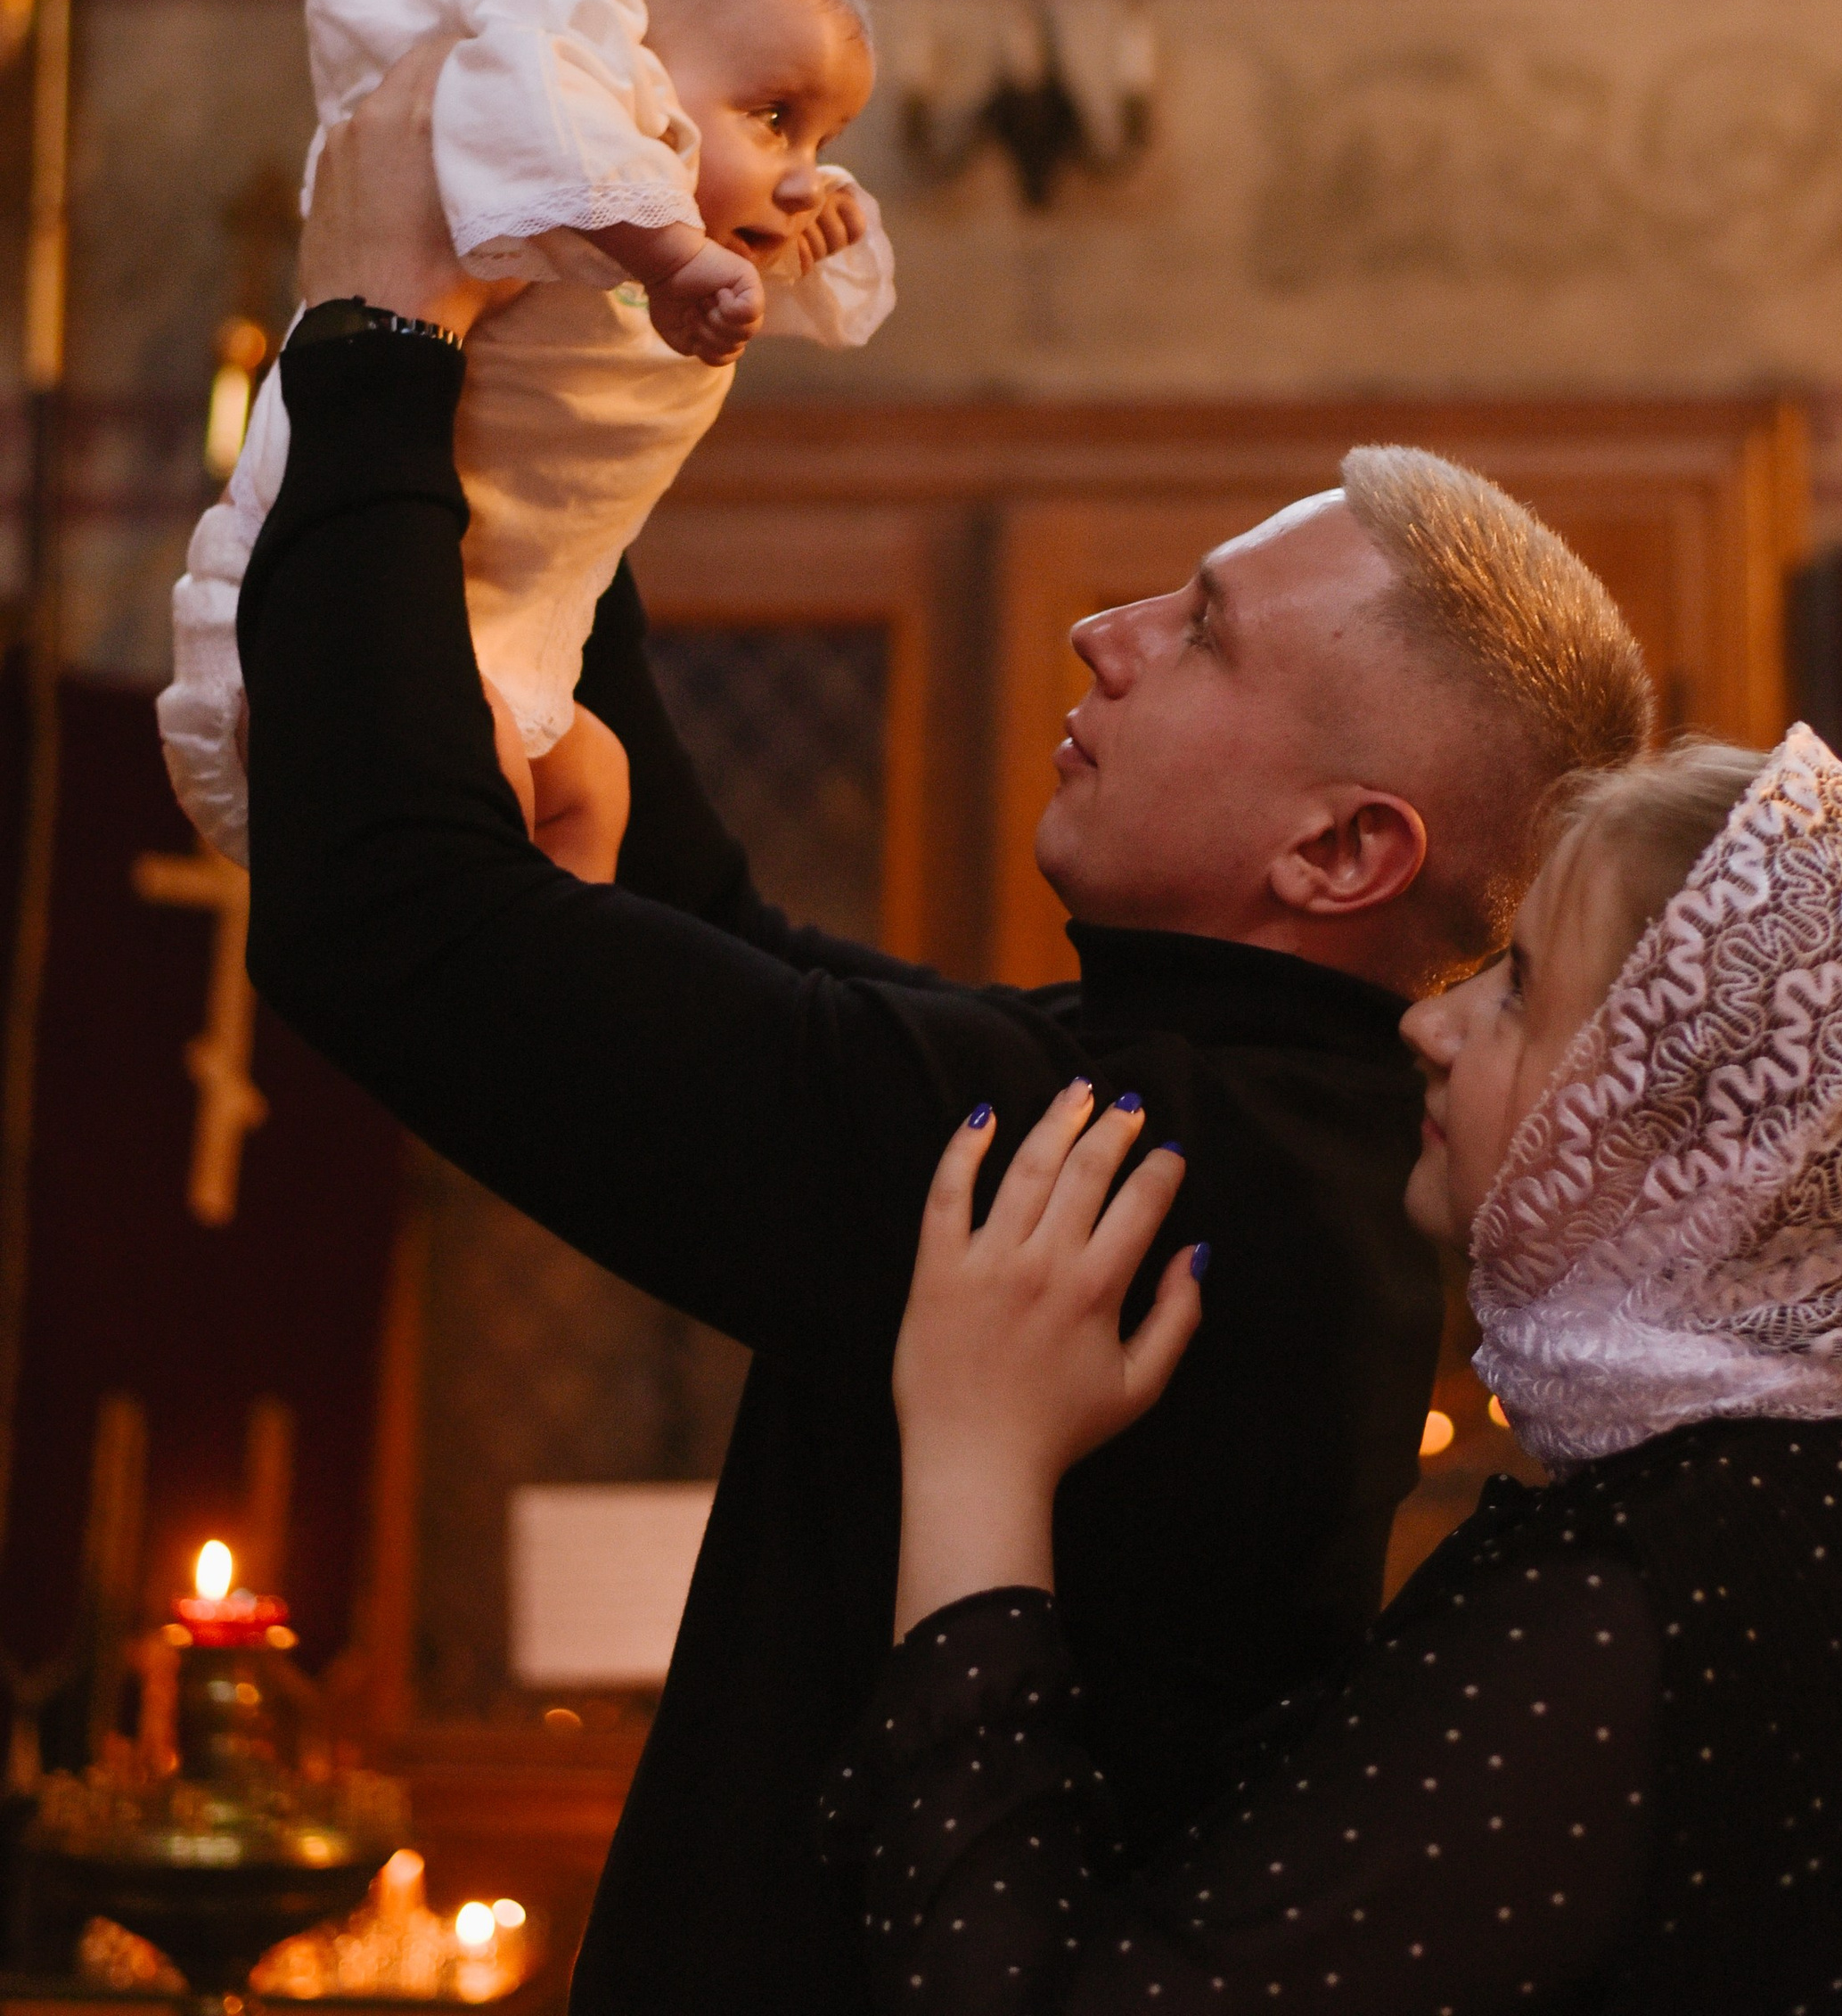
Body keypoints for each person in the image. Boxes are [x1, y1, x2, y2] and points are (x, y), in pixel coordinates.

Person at [239, 266, 1650, 2016]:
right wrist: (572, 400)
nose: (1104, 632)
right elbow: (726, 935)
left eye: (1198, 630)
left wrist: (378, 331)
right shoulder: (1208, 1097)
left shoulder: (1133, 1166)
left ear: (1341, 852)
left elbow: (381, 917)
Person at [833, 724, 1842, 2013]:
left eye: (1521, 987)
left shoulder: (1635, 1607)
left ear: (1676, 1133)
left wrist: (973, 1455)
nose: (1436, 1024)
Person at [162, 0, 890, 882]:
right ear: (624, 65)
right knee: (478, 780)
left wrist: (791, 237)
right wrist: (675, 255)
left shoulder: (655, 242)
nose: (809, 172)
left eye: (827, 137)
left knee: (595, 783)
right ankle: (483, 950)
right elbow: (539, 149)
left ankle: (553, 993)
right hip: (342, 624)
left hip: (494, 637)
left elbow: (728, 291)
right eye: (776, 117)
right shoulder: (526, 156)